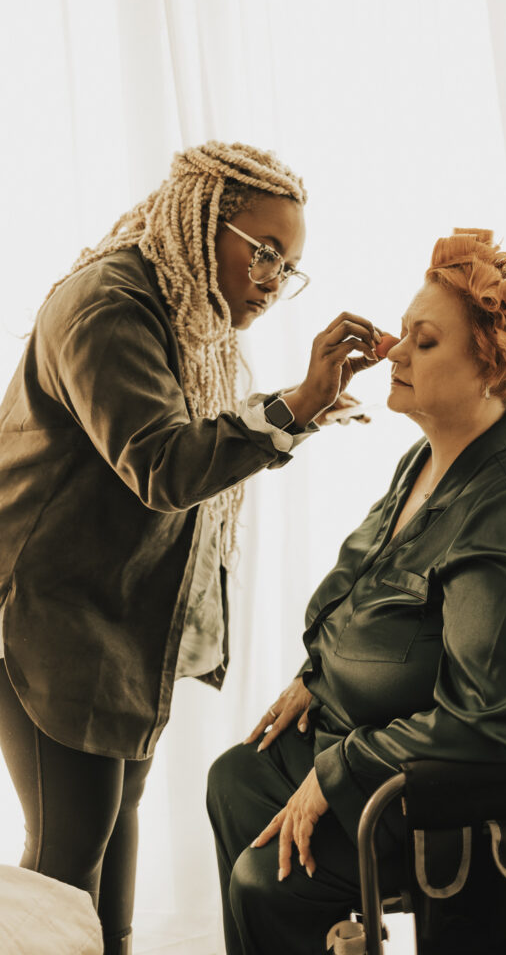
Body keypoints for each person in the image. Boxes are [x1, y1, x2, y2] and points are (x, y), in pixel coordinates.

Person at [206, 227, 506, 955]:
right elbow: (359, 589)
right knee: (238, 777)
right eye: (402, 334)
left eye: (423, 342)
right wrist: (316, 676)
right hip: (411, 736)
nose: (390, 352)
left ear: (492, 372)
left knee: (270, 882)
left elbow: (491, 723)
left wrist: (342, 770)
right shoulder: (429, 458)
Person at [0, 140, 386, 955]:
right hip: (44, 611)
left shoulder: (181, 312)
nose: (274, 281)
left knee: (111, 834)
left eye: (289, 265)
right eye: (265, 252)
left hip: (107, 617)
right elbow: (164, 464)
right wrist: (298, 404)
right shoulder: (108, 305)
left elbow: (192, 441)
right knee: (65, 863)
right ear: (202, 218)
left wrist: (302, 411)